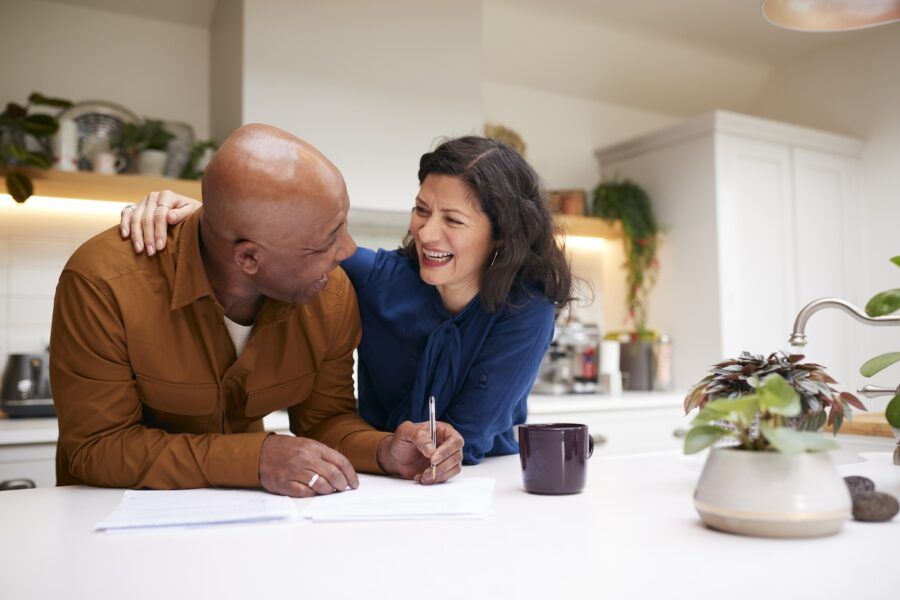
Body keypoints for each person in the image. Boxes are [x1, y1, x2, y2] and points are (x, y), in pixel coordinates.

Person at [51, 124, 464, 497]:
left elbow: (325, 420)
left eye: (343, 224)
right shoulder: (104, 283)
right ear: (249, 259)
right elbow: (97, 447)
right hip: (108, 524)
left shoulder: (329, 293)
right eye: (325, 242)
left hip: (246, 524)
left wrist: (385, 449)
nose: (348, 251)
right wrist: (256, 459)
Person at [121, 136, 573, 464]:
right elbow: (288, 243)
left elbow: (466, 437)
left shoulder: (526, 309)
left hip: (476, 481)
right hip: (378, 469)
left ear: (503, 237)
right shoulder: (381, 280)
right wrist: (207, 217)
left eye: (452, 219)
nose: (426, 233)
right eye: (421, 210)